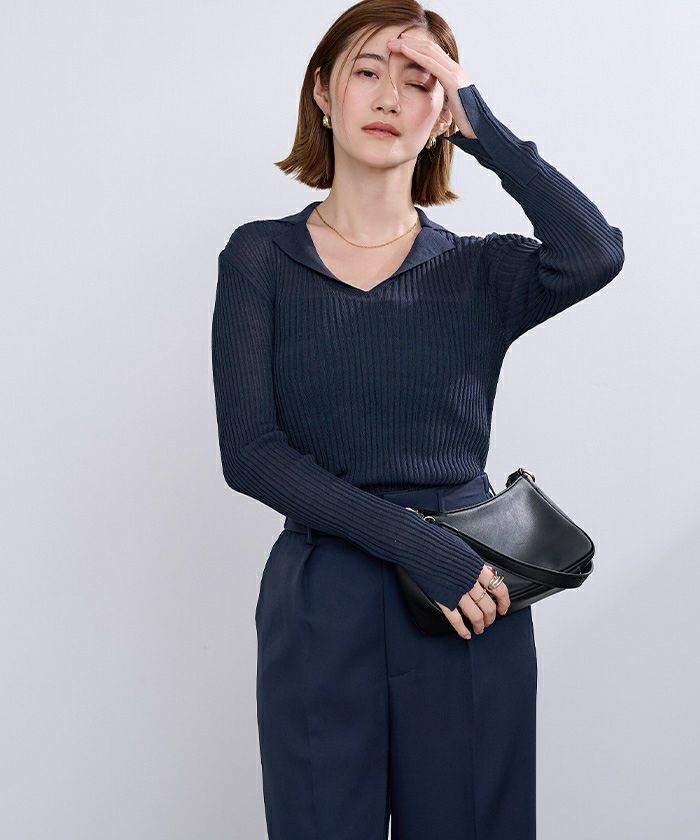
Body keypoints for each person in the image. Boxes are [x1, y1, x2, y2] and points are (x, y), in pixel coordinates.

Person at [211, 2, 624, 838]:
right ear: (323, 91)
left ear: (443, 114)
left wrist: (487, 129)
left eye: (420, 80)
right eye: (366, 71)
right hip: (326, 593)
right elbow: (250, 453)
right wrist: (416, 544)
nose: (389, 96)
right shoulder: (260, 257)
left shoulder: (480, 271)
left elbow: (594, 252)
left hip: (470, 600)